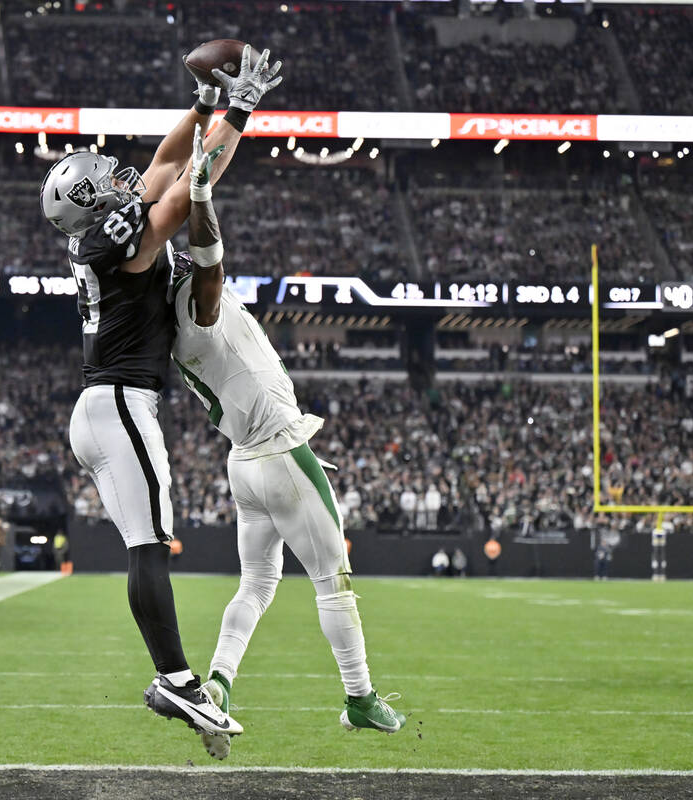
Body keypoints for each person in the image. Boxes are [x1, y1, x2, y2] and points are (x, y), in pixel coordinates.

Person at [44, 43, 280, 739]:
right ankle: (178, 681)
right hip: (120, 402)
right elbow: (185, 188)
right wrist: (240, 109)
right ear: (93, 199)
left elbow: (161, 165)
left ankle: (175, 679)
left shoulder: (97, 235)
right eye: (105, 178)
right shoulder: (121, 238)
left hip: (101, 406)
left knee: (146, 545)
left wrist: (204, 101)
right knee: (150, 544)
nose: (120, 177)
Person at [169, 124, 403, 761]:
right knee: (334, 583)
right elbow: (210, 259)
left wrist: (221, 125)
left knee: (256, 586)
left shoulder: (171, 329)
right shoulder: (196, 305)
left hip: (243, 464)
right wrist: (198, 196)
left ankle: (217, 683)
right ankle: (359, 697)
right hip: (278, 451)